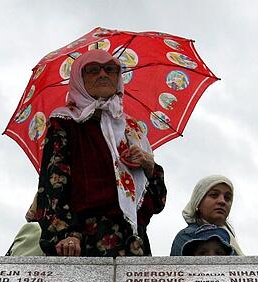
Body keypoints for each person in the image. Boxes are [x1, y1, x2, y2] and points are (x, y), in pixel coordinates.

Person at [30, 50, 166, 257]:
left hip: (133, 244)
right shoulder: (66, 123)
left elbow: (156, 202)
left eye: (110, 69)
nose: (103, 74)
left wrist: (150, 166)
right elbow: (53, 185)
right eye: (93, 70)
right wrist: (67, 233)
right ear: (79, 79)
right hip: (82, 242)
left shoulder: (131, 129)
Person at [170, 175, 243, 256]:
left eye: (227, 198)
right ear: (198, 201)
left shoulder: (229, 238)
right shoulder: (186, 236)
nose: (222, 201)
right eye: (214, 195)